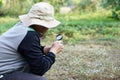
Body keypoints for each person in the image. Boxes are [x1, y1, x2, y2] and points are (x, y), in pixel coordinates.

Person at [0, 2, 64, 80]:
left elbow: (26, 49)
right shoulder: (29, 35)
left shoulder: (21, 27)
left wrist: (44, 49)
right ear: (42, 25)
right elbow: (40, 68)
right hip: (3, 74)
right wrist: (53, 51)